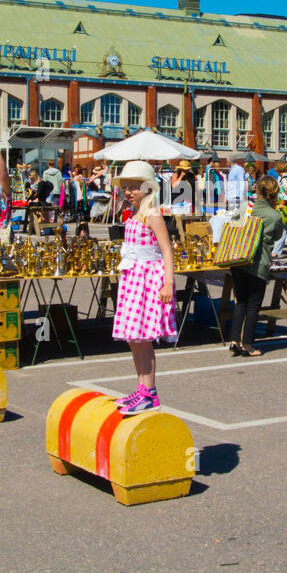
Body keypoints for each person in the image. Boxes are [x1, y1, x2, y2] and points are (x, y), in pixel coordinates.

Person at [111, 161, 177, 415]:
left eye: (133, 187)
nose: (128, 192)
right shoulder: (135, 214)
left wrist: (168, 282)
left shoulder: (153, 215)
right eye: (125, 187)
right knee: (133, 336)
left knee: (143, 338)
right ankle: (141, 388)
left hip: (148, 280)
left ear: (148, 188)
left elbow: (166, 250)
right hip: (133, 278)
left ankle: (149, 391)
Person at [228, 177, 285, 357]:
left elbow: (232, 223)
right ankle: (248, 344)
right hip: (258, 263)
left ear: (258, 191)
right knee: (253, 305)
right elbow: (277, 237)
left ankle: (234, 340)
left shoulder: (246, 207)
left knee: (240, 302)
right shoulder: (274, 215)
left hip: (239, 260)